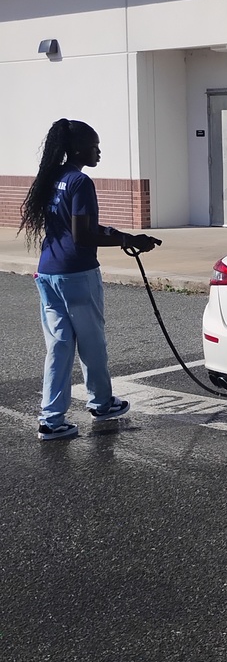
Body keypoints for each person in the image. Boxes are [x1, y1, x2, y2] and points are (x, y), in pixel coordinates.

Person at [18, 118, 159, 441]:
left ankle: (51, 420)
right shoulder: (80, 182)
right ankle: (101, 403)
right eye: (94, 146)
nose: (99, 152)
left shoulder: (52, 177)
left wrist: (119, 235)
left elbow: (75, 227)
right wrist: (127, 240)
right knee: (92, 343)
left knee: (59, 346)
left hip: (48, 272)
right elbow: (82, 236)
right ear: (79, 149)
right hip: (77, 273)